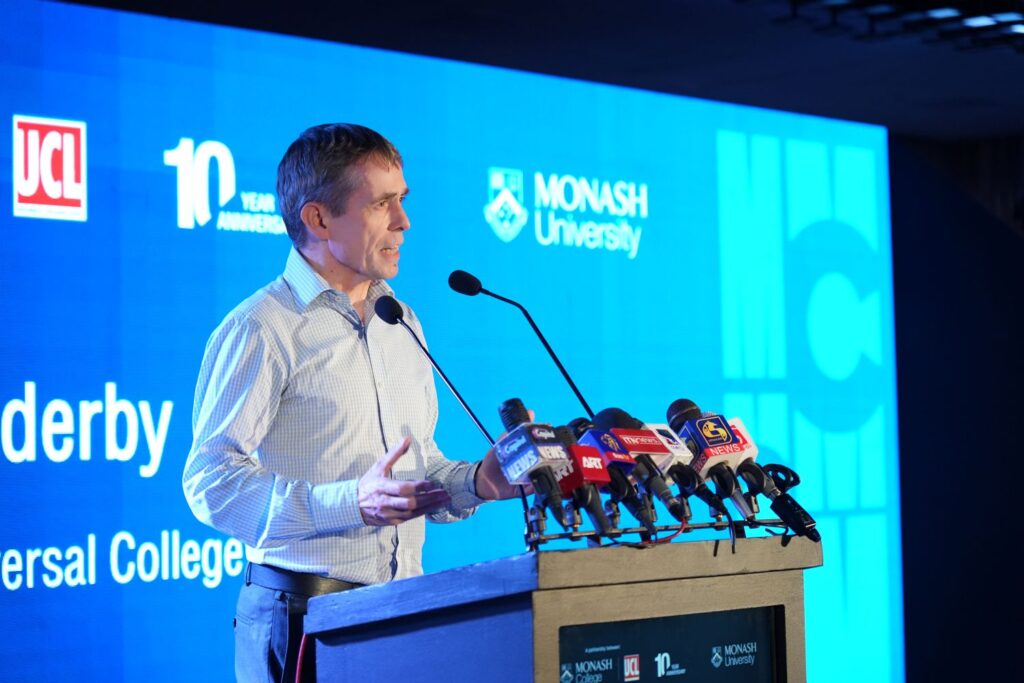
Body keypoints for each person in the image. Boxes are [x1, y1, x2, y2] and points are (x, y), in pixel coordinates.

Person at [182, 123, 521, 683]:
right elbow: (210, 482)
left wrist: (478, 482)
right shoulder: (262, 327)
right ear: (318, 219)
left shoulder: (401, 321)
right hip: (304, 619)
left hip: (402, 610)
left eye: (402, 200)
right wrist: (349, 503)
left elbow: (414, 472)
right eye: (382, 204)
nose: (404, 222)